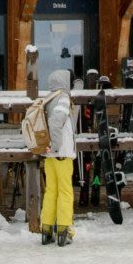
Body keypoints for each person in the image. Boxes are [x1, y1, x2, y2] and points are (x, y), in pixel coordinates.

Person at [39, 69, 77, 246]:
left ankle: (46, 230)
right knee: (65, 191)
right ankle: (64, 229)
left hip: (49, 155)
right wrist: (55, 146)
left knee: (51, 192)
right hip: (61, 153)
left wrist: (50, 148)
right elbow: (56, 121)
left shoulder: (49, 98)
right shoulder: (63, 98)